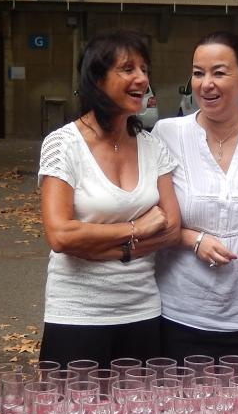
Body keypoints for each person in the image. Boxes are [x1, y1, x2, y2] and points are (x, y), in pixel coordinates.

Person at [38, 29, 181, 367]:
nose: (142, 79)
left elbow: (171, 228)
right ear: (97, 80)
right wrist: (136, 229)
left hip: (142, 309)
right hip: (77, 313)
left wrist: (101, 246)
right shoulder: (63, 145)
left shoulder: (153, 145)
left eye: (144, 69)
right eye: (128, 69)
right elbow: (61, 235)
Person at [154, 32, 238, 360]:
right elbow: (149, 218)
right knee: (183, 411)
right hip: (181, 313)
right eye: (198, 73)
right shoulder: (167, 134)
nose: (206, 83)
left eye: (219, 72)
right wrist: (192, 238)